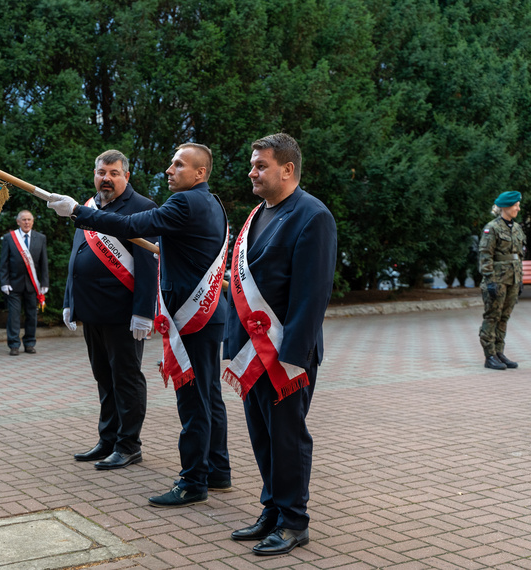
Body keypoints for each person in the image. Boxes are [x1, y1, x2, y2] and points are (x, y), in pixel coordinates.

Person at [48, 143, 230, 507]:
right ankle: (217, 470)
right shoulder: (212, 202)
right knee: (208, 395)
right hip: (208, 313)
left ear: (200, 173)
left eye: (178, 164)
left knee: (194, 401)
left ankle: (194, 480)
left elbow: (132, 227)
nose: (168, 169)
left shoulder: (184, 202)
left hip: (193, 315)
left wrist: (79, 213)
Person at [223, 133, 336, 556]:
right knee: (262, 436)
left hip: (285, 356)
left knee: (287, 438)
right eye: (253, 165)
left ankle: (294, 520)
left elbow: (312, 296)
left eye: (260, 166)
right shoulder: (259, 214)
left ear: (287, 170)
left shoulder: (312, 216)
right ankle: (271, 508)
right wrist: (234, 346)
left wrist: (292, 359)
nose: (252, 172)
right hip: (253, 354)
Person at [65, 150, 158, 470]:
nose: (106, 178)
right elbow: (76, 256)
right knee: (104, 378)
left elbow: (149, 264)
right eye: (102, 172)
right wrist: (69, 301)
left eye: (114, 173)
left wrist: (144, 311)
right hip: (91, 310)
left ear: (126, 176)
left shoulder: (142, 207)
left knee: (126, 378)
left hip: (123, 313)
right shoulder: (88, 207)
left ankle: (129, 444)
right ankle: (108, 439)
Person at [478, 191, 525, 370]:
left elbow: (519, 255)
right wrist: (489, 280)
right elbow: (485, 255)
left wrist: (518, 279)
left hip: (512, 279)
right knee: (492, 316)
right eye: (515, 205)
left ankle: (499, 352)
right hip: (497, 279)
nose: (518, 208)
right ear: (505, 207)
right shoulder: (492, 228)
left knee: (504, 317)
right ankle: (489, 355)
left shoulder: (517, 228)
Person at [0, 210, 49, 355]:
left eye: (29, 220)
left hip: (33, 285)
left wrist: (44, 282)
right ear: (18, 222)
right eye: (24, 220)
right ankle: (14, 345)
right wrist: (4, 282)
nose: (27, 222)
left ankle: (29, 343)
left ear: (33, 222)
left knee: (32, 315)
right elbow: (4, 263)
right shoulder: (9, 238)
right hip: (13, 284)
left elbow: (43, 263)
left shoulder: (41, 238)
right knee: (14, 316)